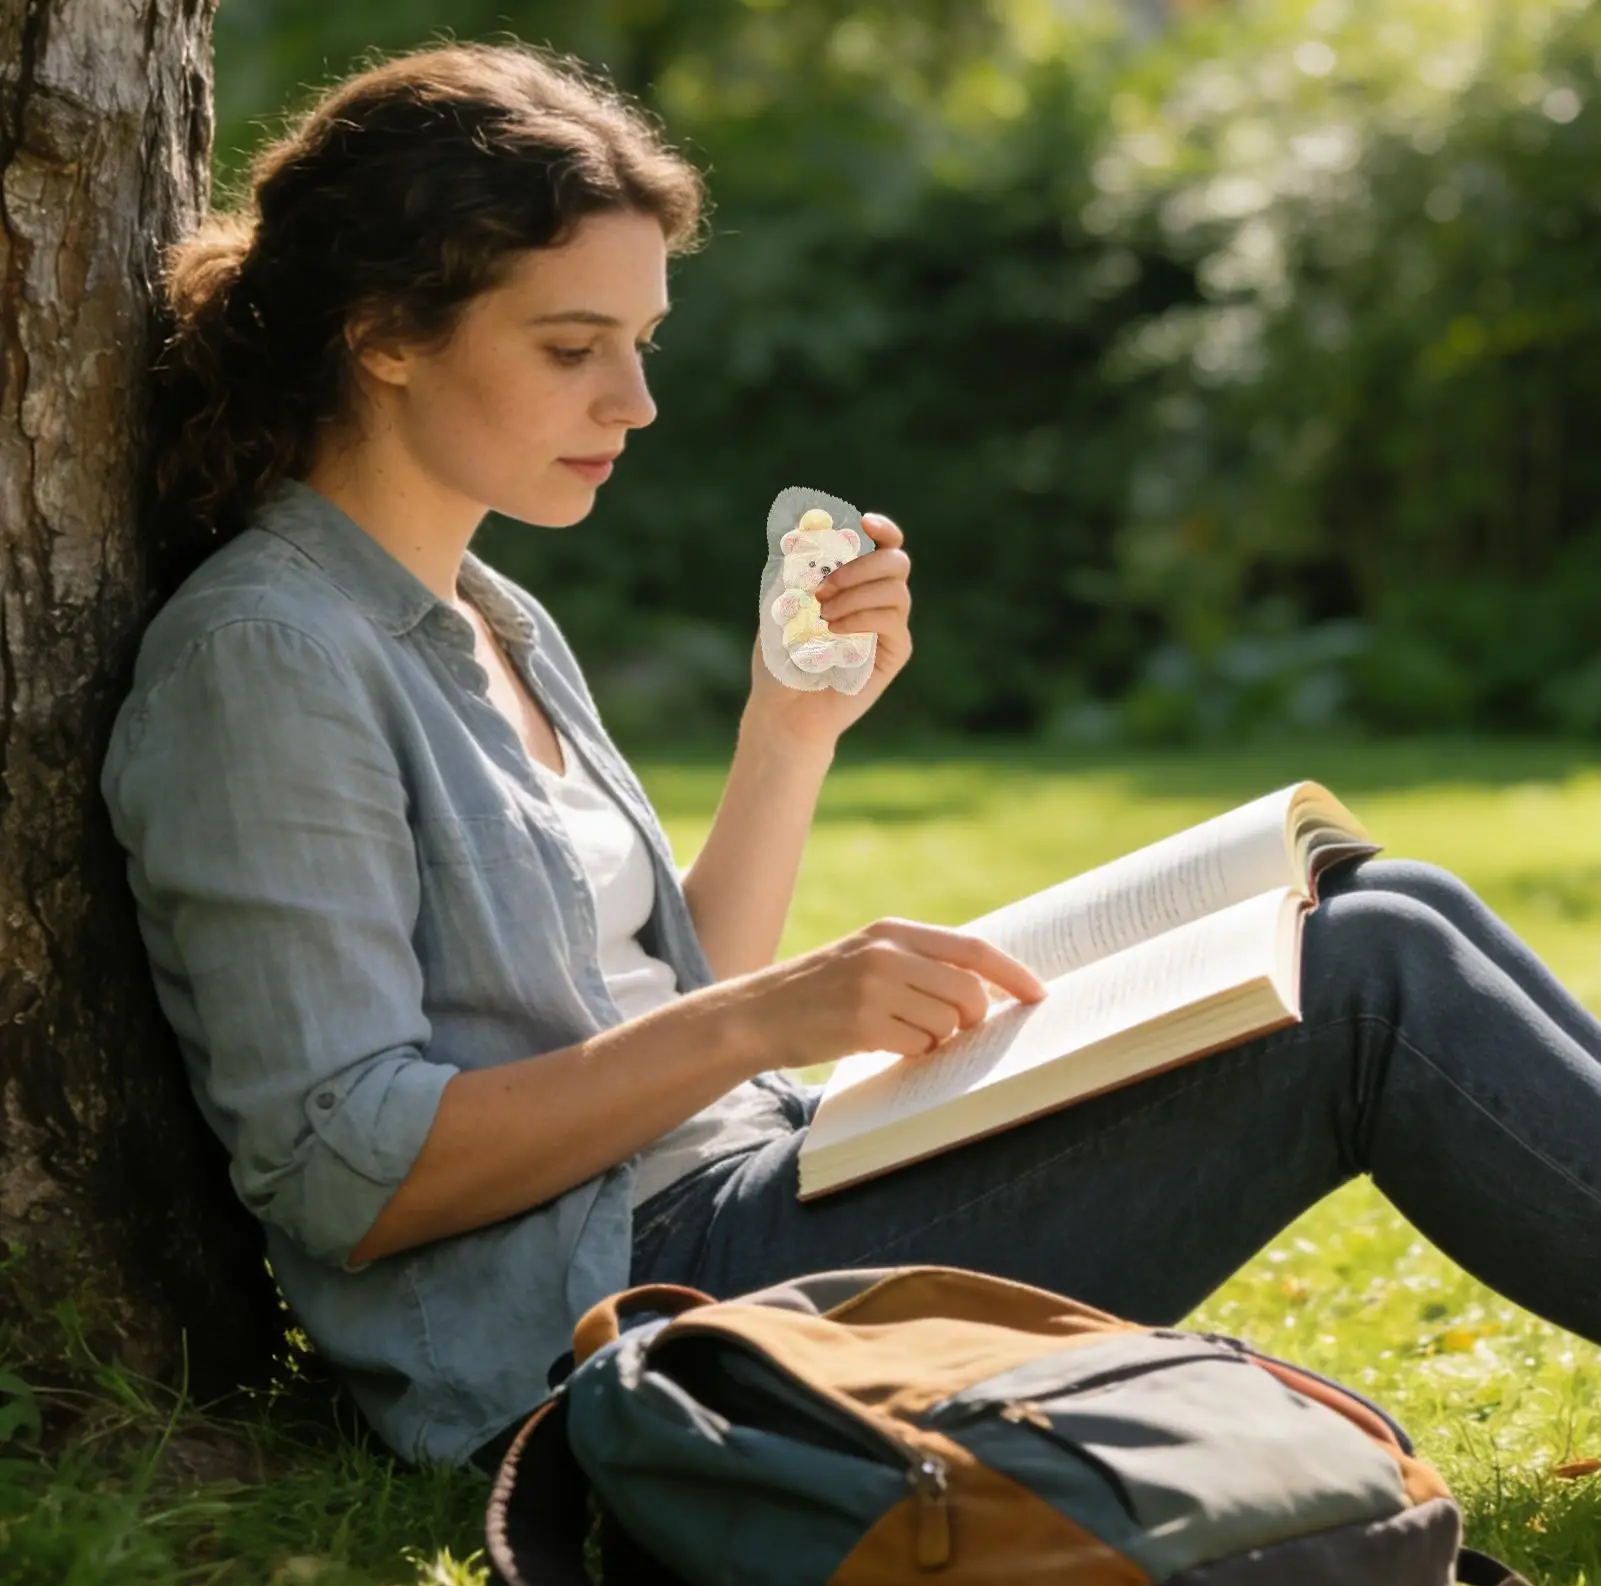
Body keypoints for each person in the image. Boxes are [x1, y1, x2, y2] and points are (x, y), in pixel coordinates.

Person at [102, 39, 1601, 1479]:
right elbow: (349, 1178)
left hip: (763, 1188)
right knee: (1365, 988)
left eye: (640, 344)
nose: (635, 404)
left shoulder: (492, 612)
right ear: (382, 337)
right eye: (573, 348)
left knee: (1377, 908)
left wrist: (788, 730)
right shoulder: (267, 658)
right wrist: (764, 1022)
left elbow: (669, 994)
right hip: (629, 1323)